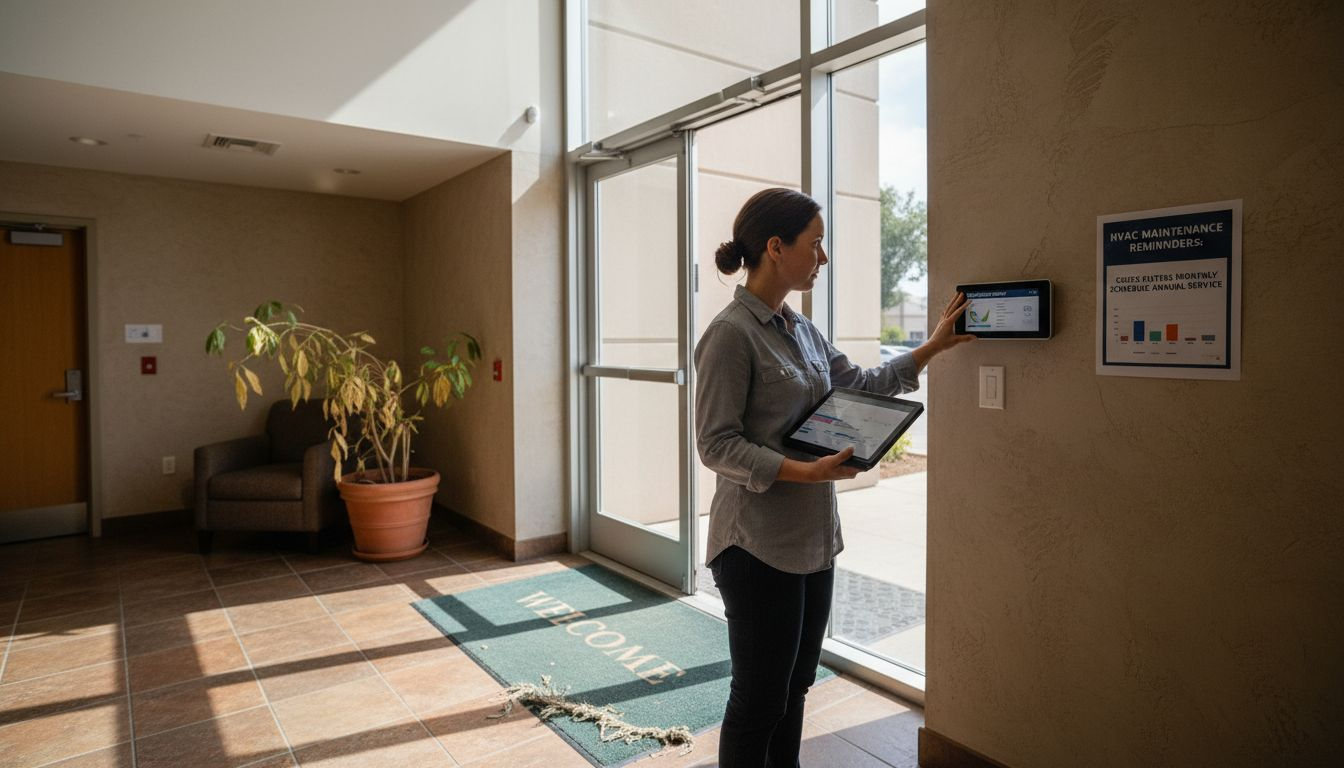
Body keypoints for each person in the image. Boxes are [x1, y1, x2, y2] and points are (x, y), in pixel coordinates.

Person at [695, 187, 975, 767]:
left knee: (794, 688)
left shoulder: (800, 328)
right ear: (776, 247)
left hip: (813, 542)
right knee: (759, 700)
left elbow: (858, 386)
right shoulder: (730, 335)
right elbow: (716, 445)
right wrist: (807, 470)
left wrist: (931, 348)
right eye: (815, 243)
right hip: (755, 548)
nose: (822, 257)